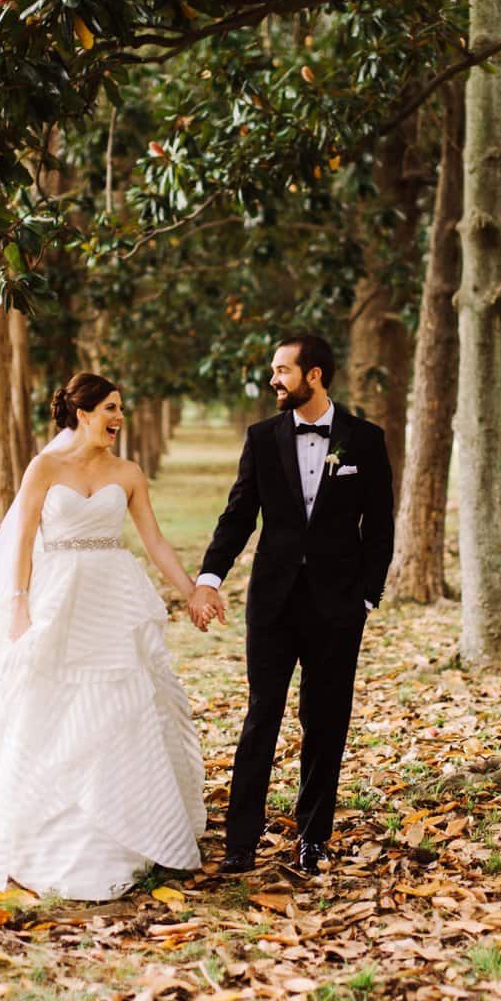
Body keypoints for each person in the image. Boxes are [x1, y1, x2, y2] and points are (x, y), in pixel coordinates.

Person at [0, 373, 206, 900]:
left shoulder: (128, 473)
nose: (118, 418)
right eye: (110, 407)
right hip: (56, 597)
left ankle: (126, 824)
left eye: (121, 408)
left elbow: (153, 541)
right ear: (82, 413)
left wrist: (193, 590)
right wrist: (18, 603)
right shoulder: (45, 468)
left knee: (123, 699)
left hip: (111, 598)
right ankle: (34, 820)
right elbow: (20, 537)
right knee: (39, 698)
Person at [189, 333, 393, 877]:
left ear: (316, 375)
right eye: (274, 371)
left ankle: (313, 839)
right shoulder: (261, 438)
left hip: (338, 608)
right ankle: (241, 841)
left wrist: (367, 597)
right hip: (272, 606)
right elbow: (238, 516)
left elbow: (380, 526)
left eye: (283, 370)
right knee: (262, 718)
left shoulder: (365, 441)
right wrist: (210, 576)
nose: (274, 380)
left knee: (326, 723)